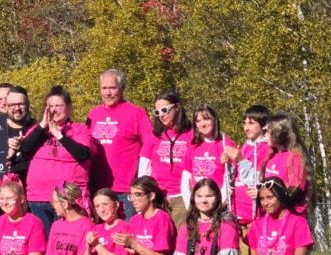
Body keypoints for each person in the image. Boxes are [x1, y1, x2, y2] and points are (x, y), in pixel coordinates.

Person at [19, 86, 95, 236]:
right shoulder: (38, 130)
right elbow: (25, 149)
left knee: (69, 241)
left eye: (59, 106)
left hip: (69, 199)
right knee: (44, 243)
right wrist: (43, 126)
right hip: (39, 197)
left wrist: (59, 135)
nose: (54, 110)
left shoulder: (79, 129)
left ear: (68, 107)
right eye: (51, 106)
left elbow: (83, 154)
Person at [86, 69, 151, 220]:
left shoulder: (137, 113)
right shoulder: (93, 114)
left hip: (126, 191)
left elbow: (150, 148)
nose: (108, 93)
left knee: (126, 237)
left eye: (112, 88)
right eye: (104, 88)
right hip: (99, 190)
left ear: (122, 87)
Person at [138, 91, 193, 226]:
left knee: (182, 241)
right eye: (157, 112)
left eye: (164, 110)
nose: (161, 115)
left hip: (182, 197)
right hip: (158, 197)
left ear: (177, 107)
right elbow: (144, 168)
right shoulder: (155, 135)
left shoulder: (192, 134)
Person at [222, 105, 271, 228]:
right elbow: (236, 176)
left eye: (251, 123)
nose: (246, 128)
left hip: (253, 213)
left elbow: (257, 180)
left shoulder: (266, 148)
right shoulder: (246, 145)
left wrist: (240, 160)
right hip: (237, 210)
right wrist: (228, 165)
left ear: (264, 125)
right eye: (244, 123)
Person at [180, 104, 237, 203]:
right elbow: (186, 179)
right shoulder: (193, 145)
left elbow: (231, 179)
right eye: (198, 121)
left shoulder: (226, 144)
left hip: (218, 202)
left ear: (214, 119)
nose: (202, 124)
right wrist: (190, 205)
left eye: (206, 119)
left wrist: (218, 205)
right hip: (197, 202)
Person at [0, 86, 36, 223]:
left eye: (21, 104)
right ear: (6, 106)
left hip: (33, 197)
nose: (17, 108)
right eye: (13, 105)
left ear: (28, 105)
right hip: (2, 200)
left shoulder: (38, 128)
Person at [260, 114, 313, 215]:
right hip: (272, 215)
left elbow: (294, 192)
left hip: (289, 216)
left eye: (267, 132)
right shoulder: (271, 155)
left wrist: (274, 200)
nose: (265, 135)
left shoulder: (295, 157)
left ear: (278, 134)